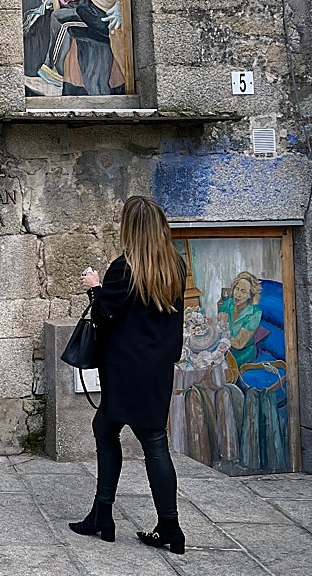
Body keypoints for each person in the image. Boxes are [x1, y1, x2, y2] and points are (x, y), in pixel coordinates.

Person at [70, 196, 186, 555]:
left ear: (130, 230)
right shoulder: (175, 267)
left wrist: (94, 286)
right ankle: (167, 525)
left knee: (108, 431)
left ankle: (104, 515)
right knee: (150, 441)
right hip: (156, 370)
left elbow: (107, 314)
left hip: (124, 370)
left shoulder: (124, 268)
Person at [218, 271, 263, 369]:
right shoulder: (229, 303)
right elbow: (219, 324)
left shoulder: (255, 313)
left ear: (250, 295)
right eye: (237, 289)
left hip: (242, 353)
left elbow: (239, 344)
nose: (238, 294)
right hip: (225, 348)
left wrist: (221, 335)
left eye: (243, 291)